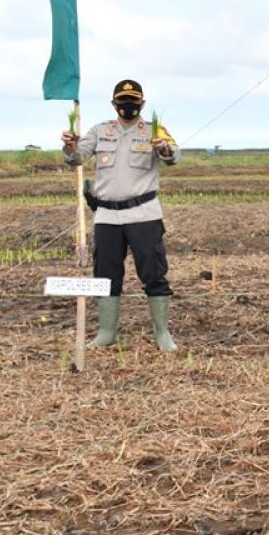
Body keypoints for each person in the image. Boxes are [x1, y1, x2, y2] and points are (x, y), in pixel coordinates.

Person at [61, 79, 180, 351]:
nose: (129, 106)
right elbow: (76, 158)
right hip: (107, 217)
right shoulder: (100, 131)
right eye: (123, 101)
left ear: (142, 104)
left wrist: (162, 147)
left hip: (144, 214)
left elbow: (173, 156)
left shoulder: (155, 130)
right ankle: (106, 332)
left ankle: (162, 334)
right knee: (105, 273)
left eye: (134, 101)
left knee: (153, 271)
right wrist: (69, 146)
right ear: (114, 104)